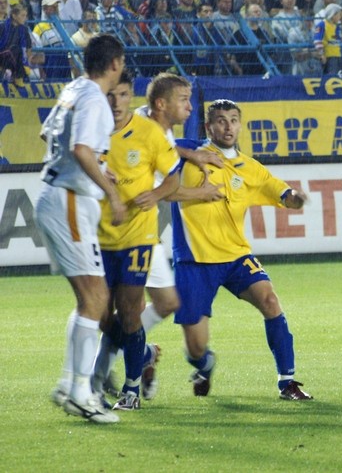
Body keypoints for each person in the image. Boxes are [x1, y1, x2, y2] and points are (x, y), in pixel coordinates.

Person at [91, 73, 226, 403]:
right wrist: (202, 192)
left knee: (160, 304)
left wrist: (191, 156)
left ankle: (125, 363)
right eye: (184, 100)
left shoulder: (160, 131)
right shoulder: (136, 122)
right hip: (114, 231)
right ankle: (111, 370)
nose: (190, 107)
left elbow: (165, 162)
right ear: (162, 104)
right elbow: (167, 190)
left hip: (142, 232)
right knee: (114, 313)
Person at [172, 99, 313, 401]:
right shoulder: (188, 152)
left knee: (270, 301)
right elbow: (157, 145)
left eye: (233, 120)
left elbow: (281, 191)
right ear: (208, 126)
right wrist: (193, 155)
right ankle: (204, 365)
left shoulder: (250, 168)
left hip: (235, 256)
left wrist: (295, 198)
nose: (228, 127)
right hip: (194, 260)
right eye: (221, 121)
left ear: (240, 125)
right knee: (195, 348)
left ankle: (287, 382)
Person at [36, 33, 126, 424]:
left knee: (89, 299)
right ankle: (80, 394)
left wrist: (99, 171)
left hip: (59, 194)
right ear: (115, 64)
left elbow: (49, 135)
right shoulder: (94, 99)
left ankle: (69, 384)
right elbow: (80, 149)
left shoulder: (73, 89)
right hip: (70, 199)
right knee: (97, 298)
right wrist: (111, 192)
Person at [92, 69, 181, 411]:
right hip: (99, 236)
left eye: (123, 95)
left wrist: (155, 194)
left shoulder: (148, 132)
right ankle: (142, 352)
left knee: (130, 311)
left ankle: (130, 391)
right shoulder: (90, 132)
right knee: (101, 316)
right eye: (110, 95)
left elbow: (173, 176)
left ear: (132, 96)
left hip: (137, 235)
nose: (116, 103)